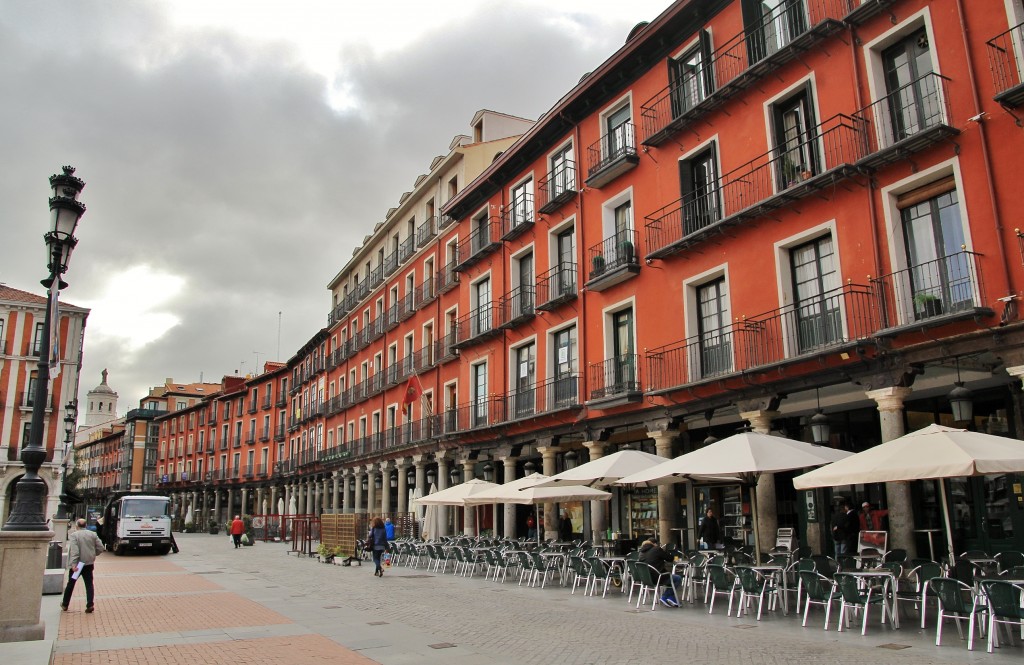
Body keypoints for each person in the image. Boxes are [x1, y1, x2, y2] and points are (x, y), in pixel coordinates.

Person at [61, 518, 103, 613]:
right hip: (88, 563)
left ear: (77, 526)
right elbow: (101, 547)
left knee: (71, 583)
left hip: (78, 565)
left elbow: (75, 551)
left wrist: (73, 564)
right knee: (89, 584)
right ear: (86, 525)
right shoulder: (93, 534)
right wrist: (93, 554)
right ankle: (90, 604)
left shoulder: (74, 535)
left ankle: (65, 604)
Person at [638, 537, 681, 607]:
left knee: (670, 579)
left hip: (646, 579)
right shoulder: (657, 549)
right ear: (655, 544)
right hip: (658, 578)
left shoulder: (641, 552)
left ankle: (671, 598)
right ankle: (665, 596)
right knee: (677, 578)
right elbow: (670, 558)